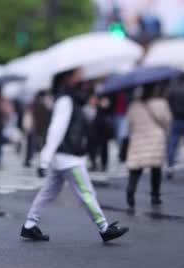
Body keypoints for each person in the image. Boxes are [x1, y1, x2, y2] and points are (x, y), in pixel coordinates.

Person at [20, 68, 129, 243]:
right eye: (78, 72)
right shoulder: (65, 99)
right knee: (86, 192)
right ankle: (104, 227)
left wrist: (91, 106)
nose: (82, 74)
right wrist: (44, 159)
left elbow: (81, 122)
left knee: (48, 192)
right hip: (68, 157)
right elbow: (57, 129)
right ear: (69, 77)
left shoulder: (73, 99)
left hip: (64, 155)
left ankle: (30, 225)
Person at [125, 83, 172, 209]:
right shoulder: (161, 103)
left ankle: (131, 190)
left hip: (138, 137)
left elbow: (129, 122)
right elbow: (167, 121)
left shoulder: (134, 105)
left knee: (136, 167)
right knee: (156, 168)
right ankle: (155, 195)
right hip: (156, 138)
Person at [23, 90, 52, 171]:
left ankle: (28, 160)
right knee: (39, 146)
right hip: (38, 129)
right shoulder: (42, 105)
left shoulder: (33, 104)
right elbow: (45, 117)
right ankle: (41, 163)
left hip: (34, 129)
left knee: (31, 145)